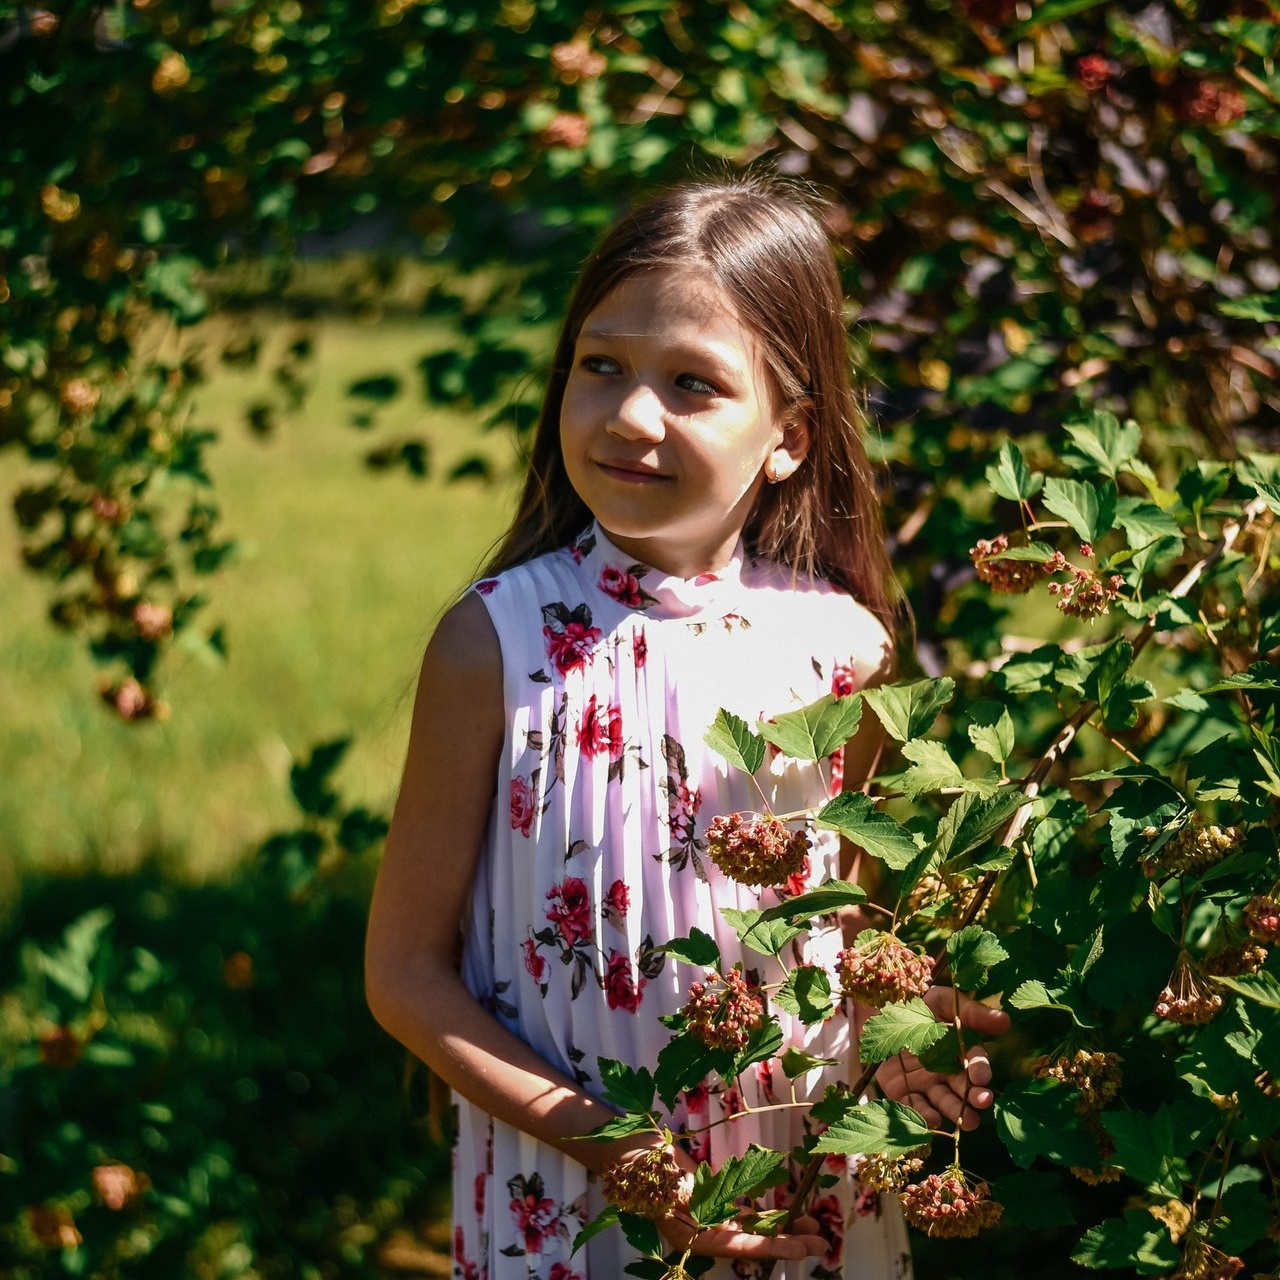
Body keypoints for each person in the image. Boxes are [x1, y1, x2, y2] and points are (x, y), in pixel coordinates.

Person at [365, 176, 1009, 1280]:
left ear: (789, 437)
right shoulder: (492, 645)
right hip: (568, 1205)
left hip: (804, 1201)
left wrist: (917, 1040)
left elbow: (861, 945)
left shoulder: (841, 654)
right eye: (600, 365)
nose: (627, 413)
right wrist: (622, 1153)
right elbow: (405, 972)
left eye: (691, 384)